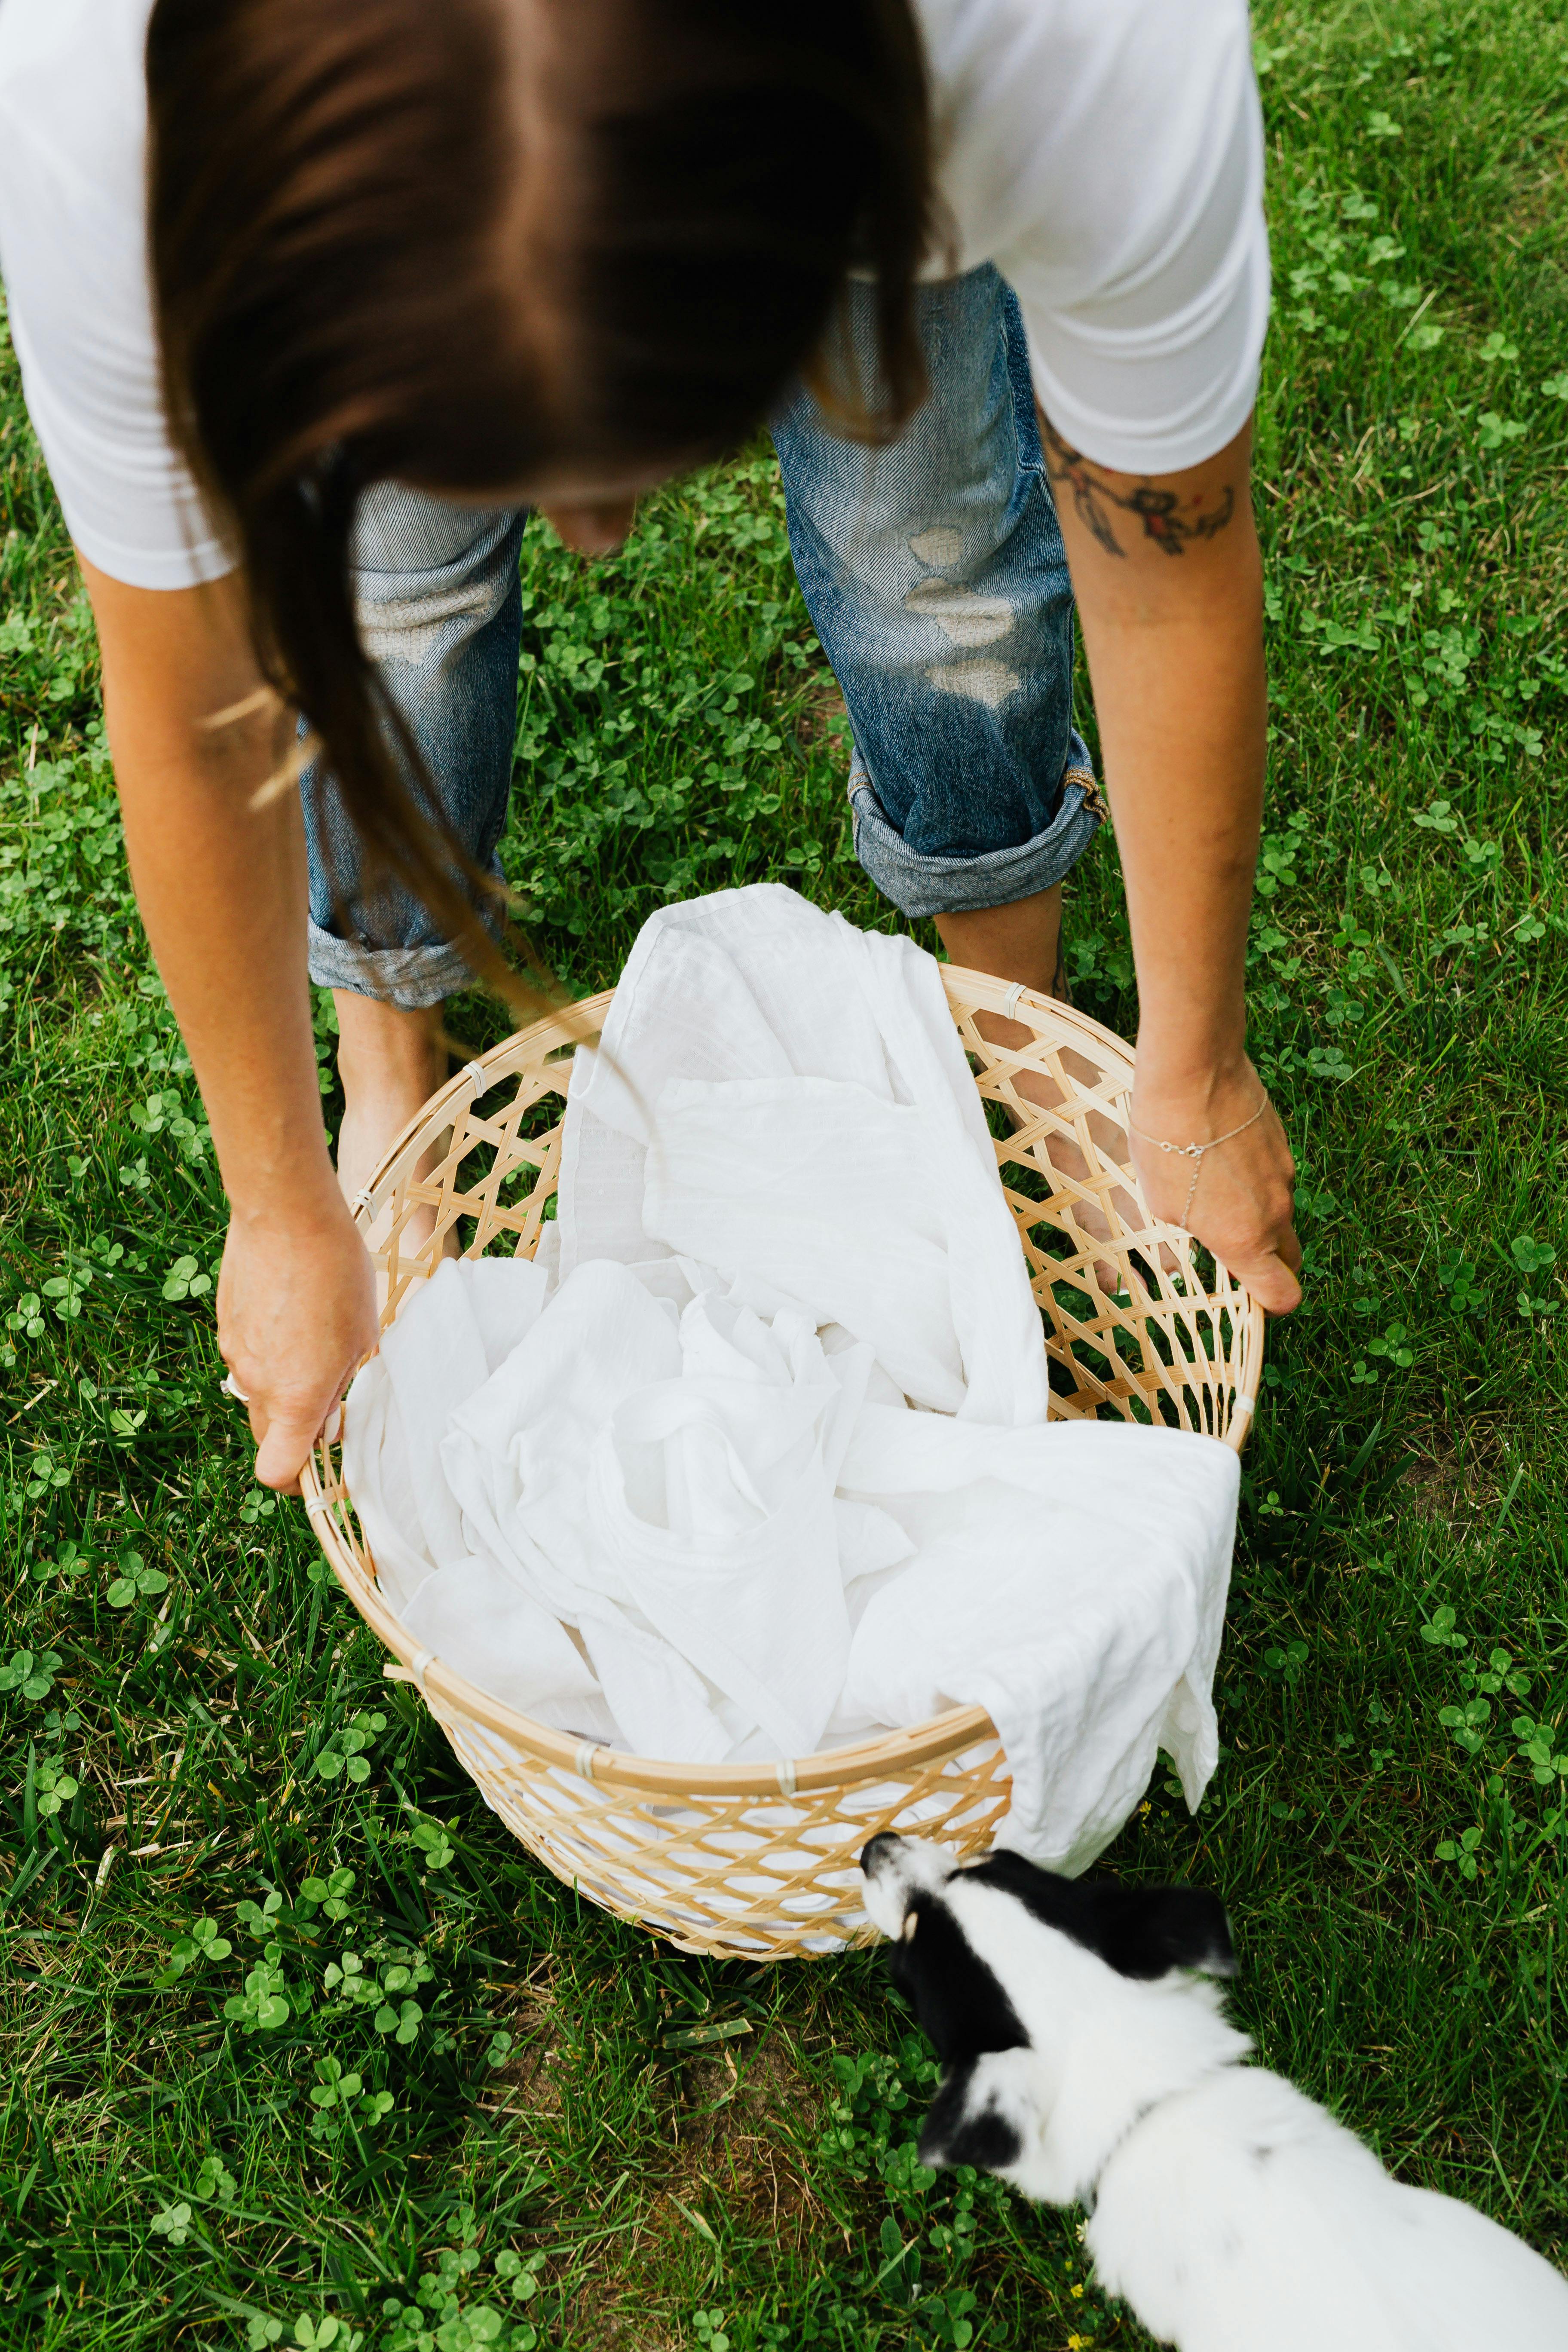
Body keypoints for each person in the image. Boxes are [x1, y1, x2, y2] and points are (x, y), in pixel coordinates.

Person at [0, 0, 1302, 1494]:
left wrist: (1191, 1067)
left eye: (644, 453)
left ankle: (1012, 1040)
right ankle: (386, 1047)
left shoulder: (1071, 57)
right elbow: (189, 706)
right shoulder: (107, 129)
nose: (598, 540)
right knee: (394, 597)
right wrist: (276, 1201)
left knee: (927, 549)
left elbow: (1167, 572)